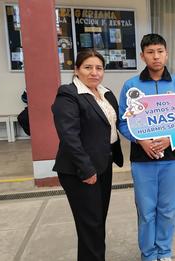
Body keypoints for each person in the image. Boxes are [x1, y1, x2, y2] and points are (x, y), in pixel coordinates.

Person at [118, 34, 175, 261]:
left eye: (160, 51)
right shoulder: (131, 86)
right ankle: (148, 254)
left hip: (171, 159)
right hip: (142, 160)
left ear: (166, 53)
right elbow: (124, 122)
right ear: (143, 56)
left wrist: (172, 138)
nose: (156, 56)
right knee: (146, 211)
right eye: (151, 52)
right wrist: (139, 140)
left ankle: (164, 252)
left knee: (166, 210)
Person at [51, 49, 124, 261]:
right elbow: (69, 136)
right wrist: (86, 169)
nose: (94, 72)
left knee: (96, 221)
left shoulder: (106, 92)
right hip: (80, 170)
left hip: (104, 163)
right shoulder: (68, 94)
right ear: (76, 70)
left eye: (99, 68)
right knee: (90, 224)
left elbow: (116, 123)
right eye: (88, 67)